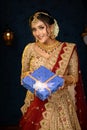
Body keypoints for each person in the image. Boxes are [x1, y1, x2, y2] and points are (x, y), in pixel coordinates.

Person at [19, 11, 87, 130]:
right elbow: (23, 75)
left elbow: (74, 77)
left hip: (60, 104)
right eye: (34, 29)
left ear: (51, 28)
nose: (38, 33)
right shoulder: (29, 49)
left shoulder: (68, 49)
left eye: (41, 27)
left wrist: (63, 79)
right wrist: (29, 76)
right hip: (35, 102)